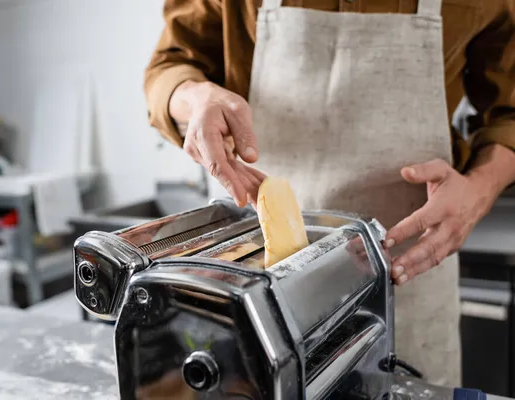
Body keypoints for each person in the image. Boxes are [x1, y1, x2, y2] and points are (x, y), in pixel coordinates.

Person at [144, 0, 515, 387]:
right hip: (258, 295)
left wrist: (478, 191)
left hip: (406, 281)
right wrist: (195, 99)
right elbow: (169, 68)